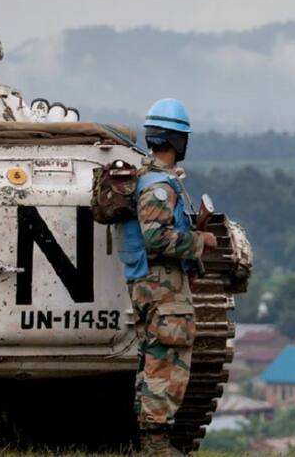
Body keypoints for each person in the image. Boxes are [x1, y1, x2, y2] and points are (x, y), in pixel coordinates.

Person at [119, 98, 217, 456]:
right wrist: (199, 240)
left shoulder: (150, 178)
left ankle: (149, 441)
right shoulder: (158, 185)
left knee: (154, 358)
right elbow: (155, 237)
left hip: (153, 283)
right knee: (167, 361)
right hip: (161, 286)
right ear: (178, 141)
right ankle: (155, 445)